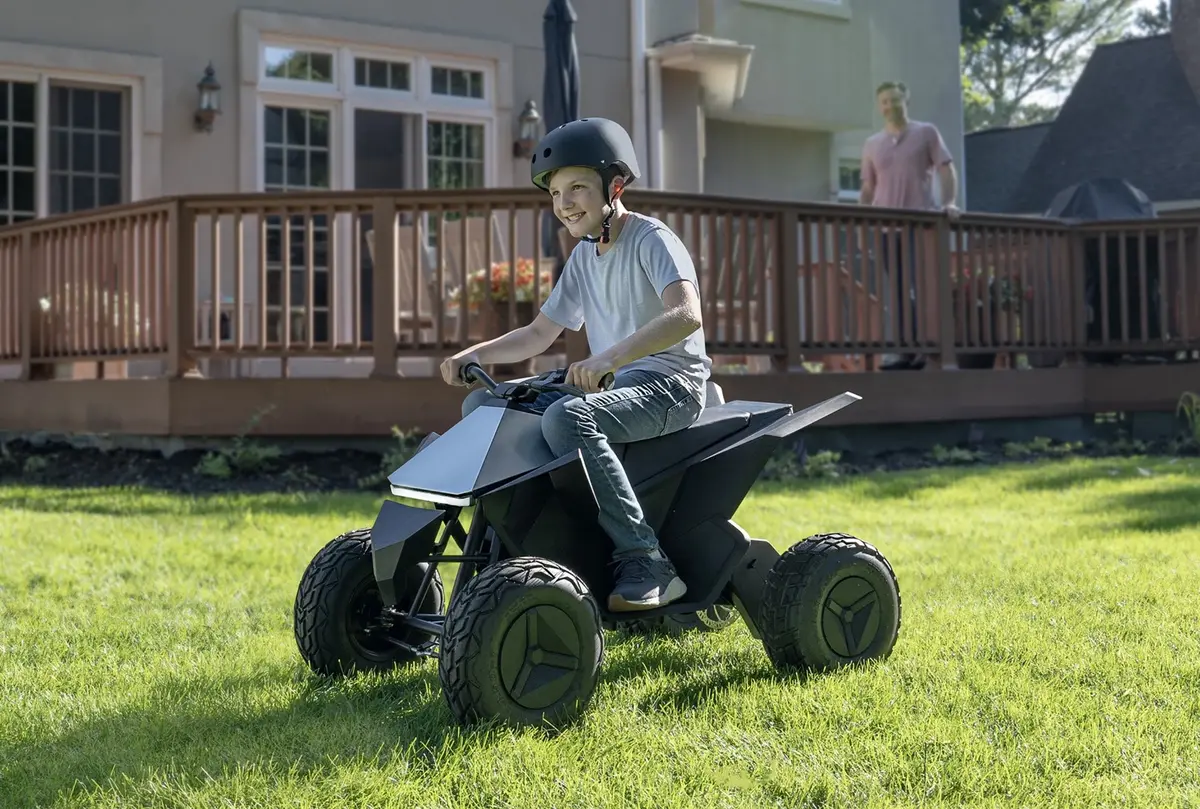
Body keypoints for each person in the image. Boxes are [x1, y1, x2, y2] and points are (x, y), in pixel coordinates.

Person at [439, 117, 712, 612]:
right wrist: (478, 354)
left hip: (672, 384)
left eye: (578, 188)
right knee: (485, 403)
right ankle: (504, 549)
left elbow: (687, 315)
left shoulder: (651, 239)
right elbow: (539, 333)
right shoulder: (586, 257)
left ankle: (647, 558)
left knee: (566, 416)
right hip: (614, 381)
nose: (564, 204)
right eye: (556, 193)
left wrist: (610, 356)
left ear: (615, 186)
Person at [860, 80, 960, 370]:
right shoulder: (872, 144)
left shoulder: (925, 133)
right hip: (885, 228)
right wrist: (860, 222)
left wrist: (949, 202)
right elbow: (868, 189)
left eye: (895, 100)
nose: (890, 106)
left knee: (921, 288)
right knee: (897, 291)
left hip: (919, 225)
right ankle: (904, 351)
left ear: (906, 100)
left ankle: (924, 350)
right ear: (880, 107)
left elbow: (946, 168)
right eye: (885, 102)